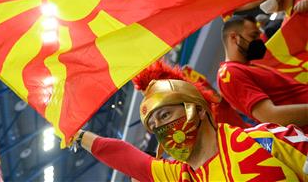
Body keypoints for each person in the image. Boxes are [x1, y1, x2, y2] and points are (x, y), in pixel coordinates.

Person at [72, 61, 307, 181]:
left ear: (197, 110)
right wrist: (78, 134)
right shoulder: (180, 176)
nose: (162, 129)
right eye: (154, 127)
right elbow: (125, 155)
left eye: (165, 116)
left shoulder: (264, 141)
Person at [218, 15, 308, 133]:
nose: (259, 40)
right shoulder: (230, 73)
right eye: (253, 36)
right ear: (234, 37)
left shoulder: (248, 66)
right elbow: (271, 116)